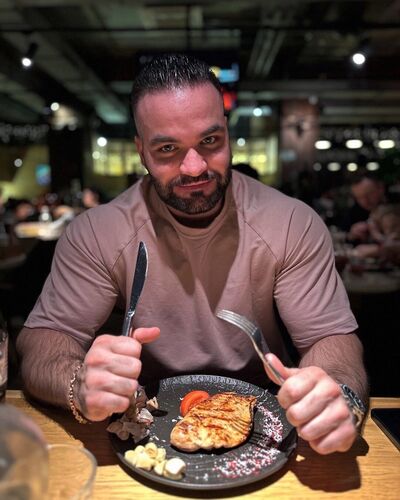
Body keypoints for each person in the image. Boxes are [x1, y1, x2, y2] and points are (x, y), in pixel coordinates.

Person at [17, 54, 367, 456]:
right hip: (141, 425)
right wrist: (77, 385)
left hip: (265, 423)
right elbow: (46, 340)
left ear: (228, 134)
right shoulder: (98, 232)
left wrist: (339, 397)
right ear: (141, 151)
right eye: (168, 148)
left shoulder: (291, 223)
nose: (195, 166)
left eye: (210, 141)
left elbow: (328, 338)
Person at [346, 173, 386, 243]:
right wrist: (351, 235)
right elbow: (345, 234)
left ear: (381, 188)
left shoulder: (395, 207)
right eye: (359, 197)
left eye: (368, 194)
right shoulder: (355, 211)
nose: (365, 201)